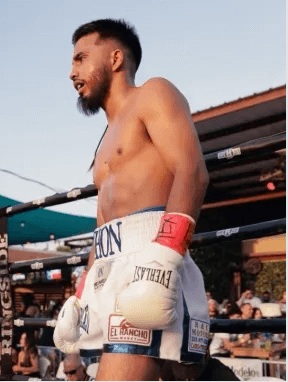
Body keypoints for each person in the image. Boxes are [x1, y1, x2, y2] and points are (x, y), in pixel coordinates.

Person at [54, 19, 210, 380]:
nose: (71, 73)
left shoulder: (153, 93)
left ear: (115, 58)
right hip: (111, 267)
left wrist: (163, 257)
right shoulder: (105, 138)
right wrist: (79, 296)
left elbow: (192, 172)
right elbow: (102, 225)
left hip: (153, 255)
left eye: (80, 58)